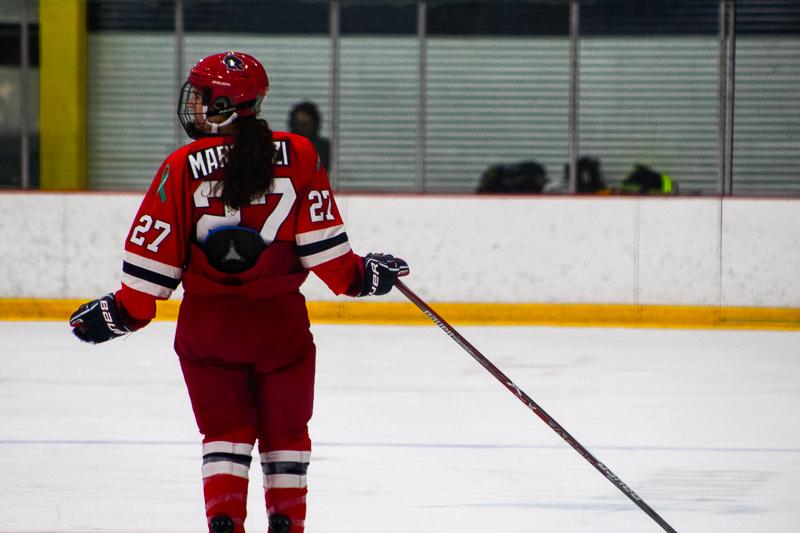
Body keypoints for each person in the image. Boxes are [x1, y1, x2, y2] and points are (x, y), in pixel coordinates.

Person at [68, 51, 408, 533]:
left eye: (204, 98)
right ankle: (287, 524)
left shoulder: (182, 166)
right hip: (280, 331)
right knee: (286, 434)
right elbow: (331, 262)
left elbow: (152, 268)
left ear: (225, 105)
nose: (196, 107)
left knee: (224, 435)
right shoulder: (302, 155)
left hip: (208, 331)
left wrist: (124, 312)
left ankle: (226, 521)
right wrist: (365, 276)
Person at [288, 101, 330, 171]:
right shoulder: (286, 147)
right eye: (299, 124)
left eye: (306, 124)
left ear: (314, 124)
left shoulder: (325, 148)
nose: (301, 129)